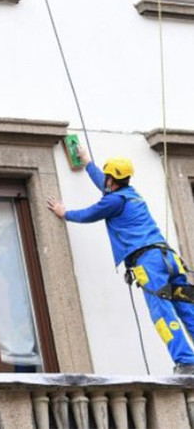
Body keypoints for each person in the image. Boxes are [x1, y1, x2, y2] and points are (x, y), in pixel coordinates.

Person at [47, 144, 194, 374]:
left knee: (161, 313)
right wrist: (88, 163)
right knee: (187, 310)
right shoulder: (131, 195)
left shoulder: (114, 201)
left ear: (111, 179)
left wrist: (64, 213)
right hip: (170, 259)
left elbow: (90, 214)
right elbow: (105, 191)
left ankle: (186, 362)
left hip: (149, 263)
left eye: (106, 177)